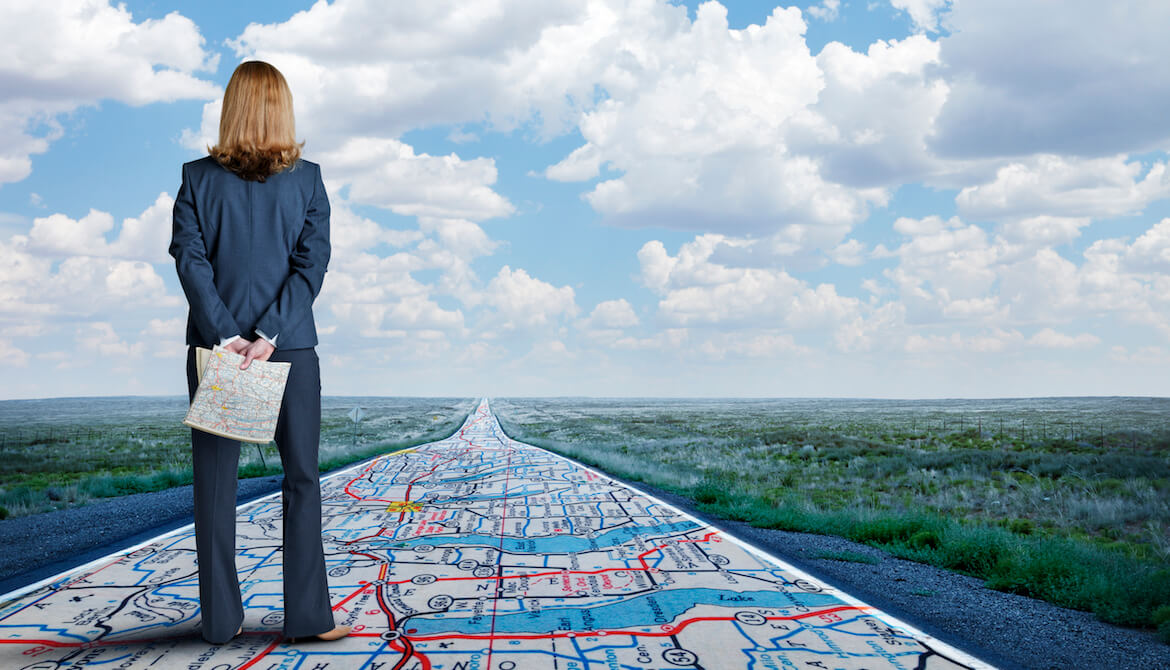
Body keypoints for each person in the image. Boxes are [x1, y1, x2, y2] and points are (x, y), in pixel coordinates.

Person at [170, 60, 351, 645]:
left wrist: (226, 336)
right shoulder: (310, 180)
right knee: (301, 480)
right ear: (283, 108)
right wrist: (269, 334)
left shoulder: (196, 178)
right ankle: (309, 619)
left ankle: (220, 622)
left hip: (216, 353)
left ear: (230, 108)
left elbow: (190, 262)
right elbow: (311, 266)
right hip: (291, 349)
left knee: (215, 488)